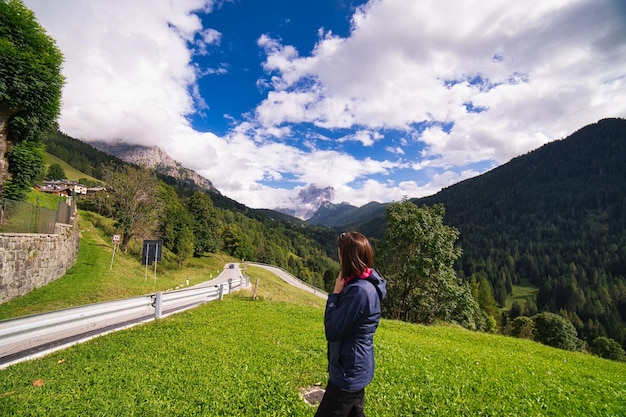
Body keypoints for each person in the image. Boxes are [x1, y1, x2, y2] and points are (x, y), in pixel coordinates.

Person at [315, 231, 387, 417]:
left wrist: (335, 296)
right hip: (355, 368)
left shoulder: (359, 292)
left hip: (348, 372)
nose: (338, 256)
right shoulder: (361, 283)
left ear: (347, 257)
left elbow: (332, 331)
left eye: (339, 252)